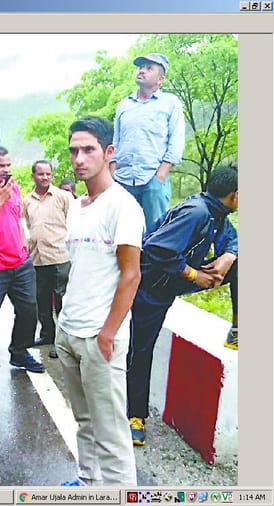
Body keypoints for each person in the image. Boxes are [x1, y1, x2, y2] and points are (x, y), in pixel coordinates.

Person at [57, 116, 144, 487]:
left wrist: (108, 334)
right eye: (74, 150)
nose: (79, 158)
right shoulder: (77, 206)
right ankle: (88, 483)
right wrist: (62, 326)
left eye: (88, 150)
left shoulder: (122, 205)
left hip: (99, 336)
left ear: (108, 152)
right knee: (85, 421)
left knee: (111, 433)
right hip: (69, 330)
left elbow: (131, 274)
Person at [126, 166, 238, 447]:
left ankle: (237, 331)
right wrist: (194, 275)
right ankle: (135, 416)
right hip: (151, 289)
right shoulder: (197, 212)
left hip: (175, 280)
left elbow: (233, 240)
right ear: (234, 195)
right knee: (141, 350)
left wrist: (229, 255)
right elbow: (156, 248)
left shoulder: (217, 214)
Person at [0, 145, 45, 387]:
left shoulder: (13, 186)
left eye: (8, 165)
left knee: (29, 310)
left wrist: (23, 247)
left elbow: (16, 219)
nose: (6, 169)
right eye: (0, 166)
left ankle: (20, 351)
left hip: (20, 262)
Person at [110, 53, 185, 232]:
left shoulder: (170, 103)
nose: (142, 71)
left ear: (160, 79)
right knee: (123, 233)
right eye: (141, 67)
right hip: (122, 179)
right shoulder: (124, 104)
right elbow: (116, 141)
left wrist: (160, 175)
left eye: (149, 68)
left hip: (153, 178)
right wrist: (112, 173)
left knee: (155, 234)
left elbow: (176, 140)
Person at [22, 160, 73, 359]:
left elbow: (74, 222)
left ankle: (62, 342)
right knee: (41, 301)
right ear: (33, 176)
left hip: (60, 257)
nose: (45, 177)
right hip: (37, 259)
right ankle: (47, 335)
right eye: (40, 174)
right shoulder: (27, 200)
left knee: (61, 302)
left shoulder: (63, 197)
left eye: (48, 174)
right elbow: (27, 225)